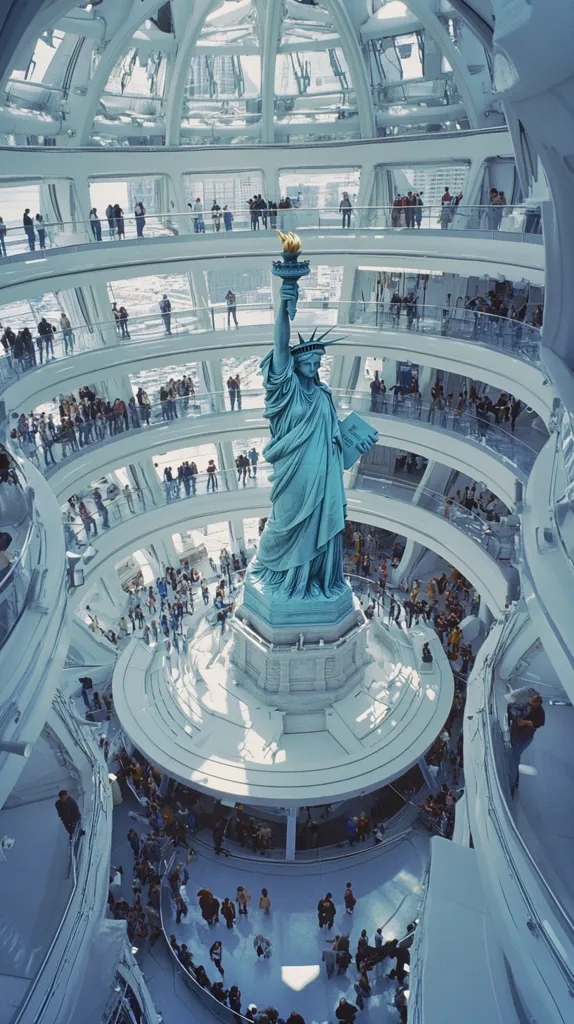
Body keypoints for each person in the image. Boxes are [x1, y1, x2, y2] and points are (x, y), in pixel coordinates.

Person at [509, 692, 545, 794]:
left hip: (522, 739)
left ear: (537, 702)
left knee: (514, 761)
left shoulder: (539, 713)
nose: (530, 701)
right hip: (518, 736)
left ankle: (513, 784)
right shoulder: (527, 705)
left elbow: (533, 724)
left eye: (533, 701)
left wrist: (525, 722)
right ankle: (514, 781)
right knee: (514, 759)